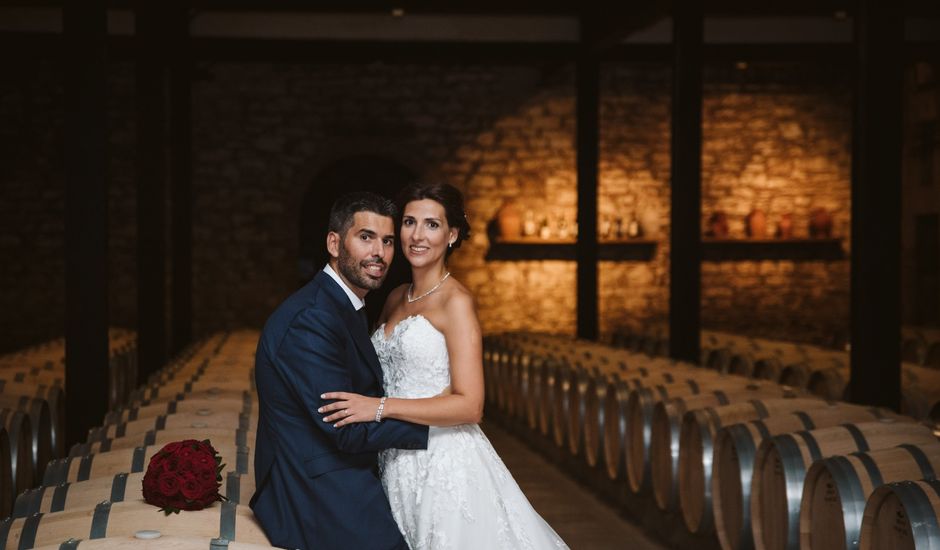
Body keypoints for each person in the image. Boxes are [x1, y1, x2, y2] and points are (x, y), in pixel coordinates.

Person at [319, 183, 569, 549]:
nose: (417, 236)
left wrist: (380, 408)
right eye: (409, 222)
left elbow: (471, 405)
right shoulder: (393, 296)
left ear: (452, 234)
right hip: (394, 457)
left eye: (431, 225)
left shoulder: (457, 302)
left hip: (443, 460)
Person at [250, 192, 429, 550]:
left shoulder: (343, 305)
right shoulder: (312, 319)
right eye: (366, 237)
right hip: (317, 492)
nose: (379, 252)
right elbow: (345, 430)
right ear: (334, 243)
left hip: (344, 471)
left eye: (388, 241)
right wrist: (433, 426)